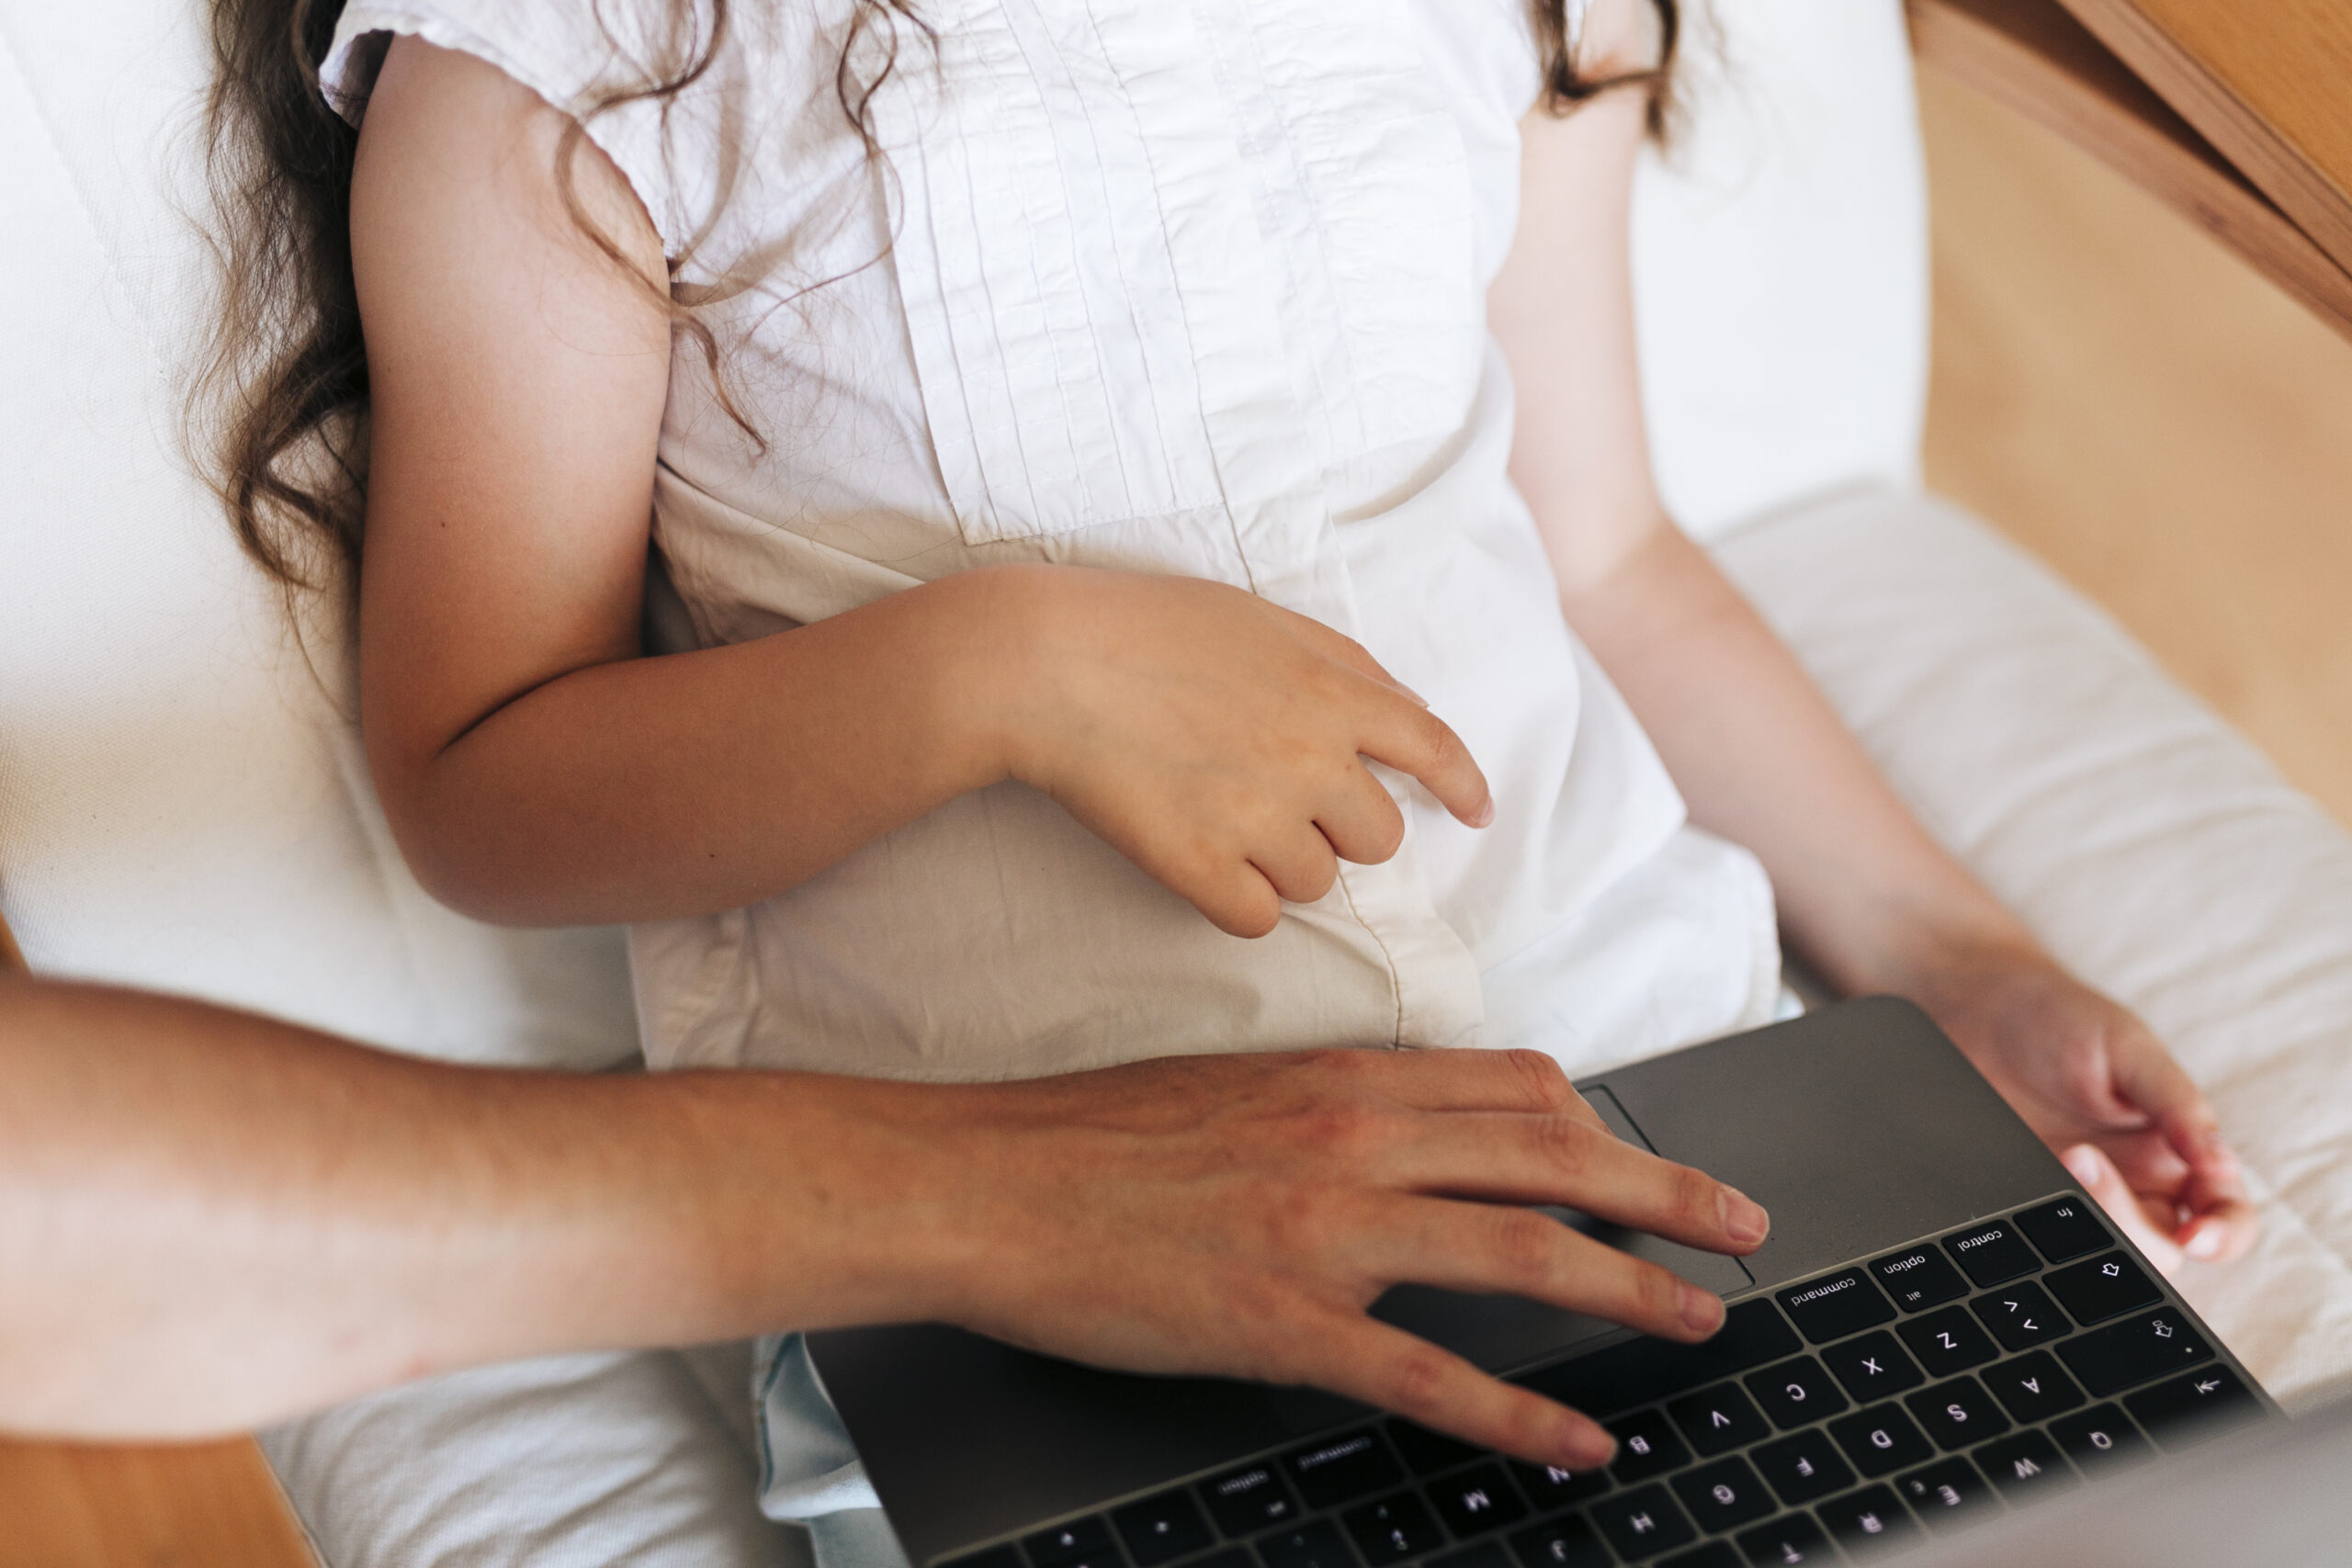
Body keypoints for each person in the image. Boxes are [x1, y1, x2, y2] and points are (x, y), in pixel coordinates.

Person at [197, 0, 2254, 1545]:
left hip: (1684, 1116)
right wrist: (1002, 666)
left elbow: (1607, 548)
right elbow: (483, 777)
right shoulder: (581, 58)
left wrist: (1949, 953)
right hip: (1050, 1292)